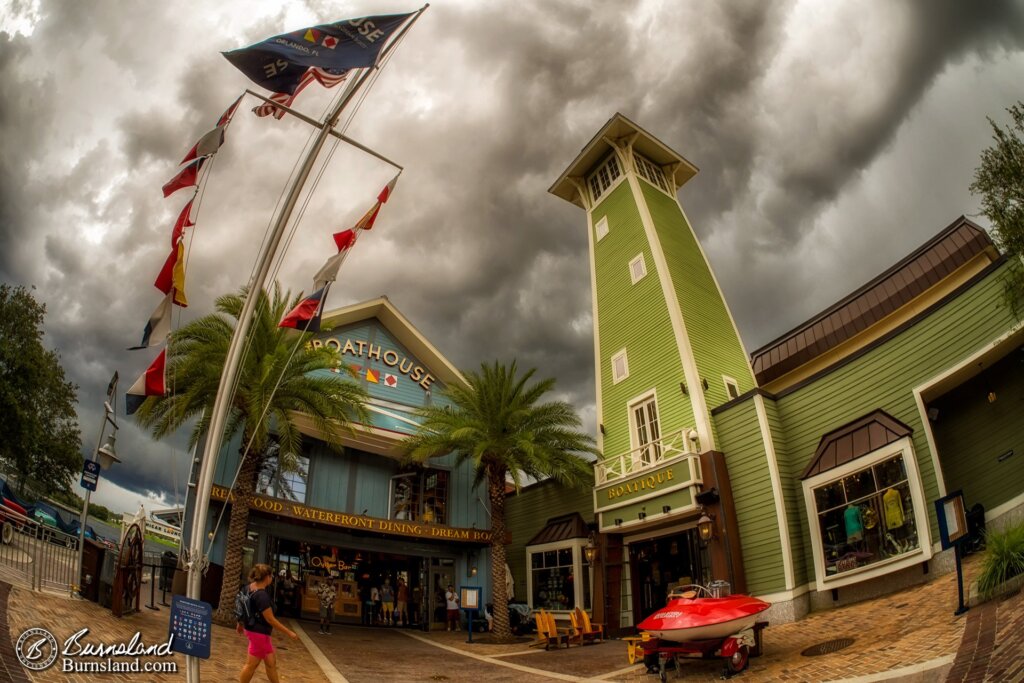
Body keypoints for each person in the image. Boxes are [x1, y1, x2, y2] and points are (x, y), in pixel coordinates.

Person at [237, 563, 298, 683]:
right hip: (259, 634)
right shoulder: (262, 596)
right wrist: (289, 632)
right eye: (271, 575)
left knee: (270, 663)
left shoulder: (247, 588)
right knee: (251, 665)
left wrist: (239, 623)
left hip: (254, 631)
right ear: (267, 577)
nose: (272, 578)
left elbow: (241, 607)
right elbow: (270, 619)